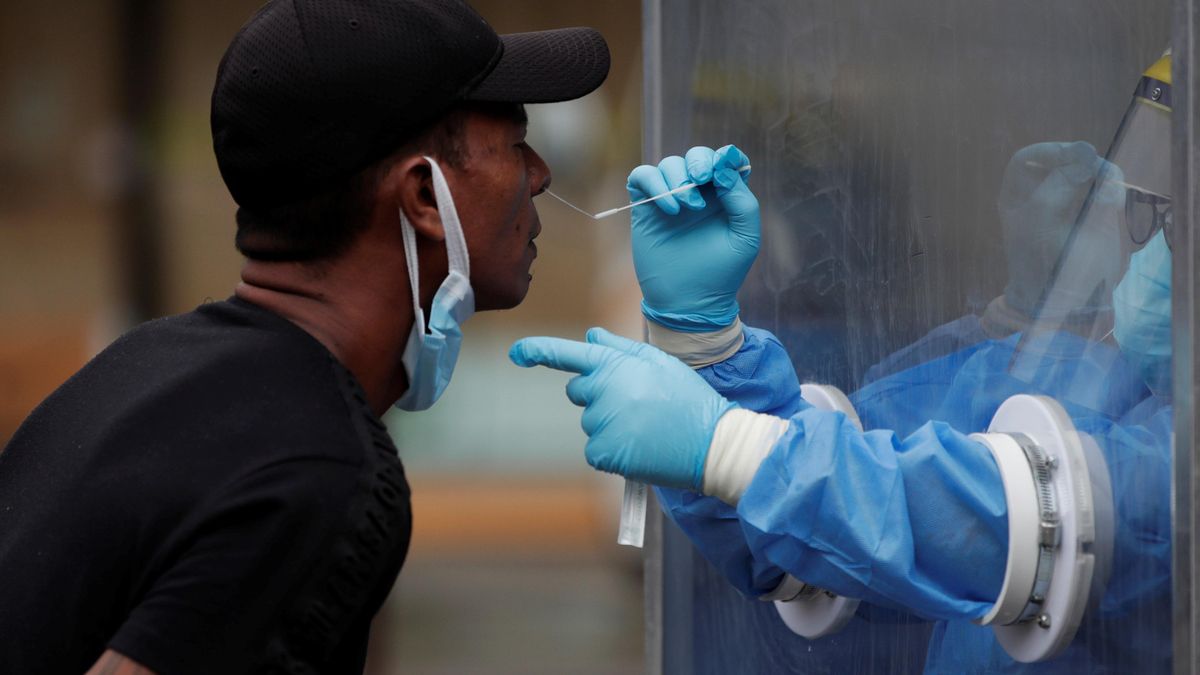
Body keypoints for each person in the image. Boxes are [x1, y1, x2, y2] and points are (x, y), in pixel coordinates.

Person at [0, 1, 609, 673]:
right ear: (423, 198)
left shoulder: (142, 365)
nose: (541, 174)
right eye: (516, 142)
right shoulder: (317, 476)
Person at [511, 54, 1172, 672]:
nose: (1140, 225)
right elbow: (836, 498)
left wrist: (730, 446)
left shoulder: (1175, 454)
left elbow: (1015, 521)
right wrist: (705, 350)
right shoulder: (1109, 376)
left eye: (1172, 212)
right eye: (1143, 199)